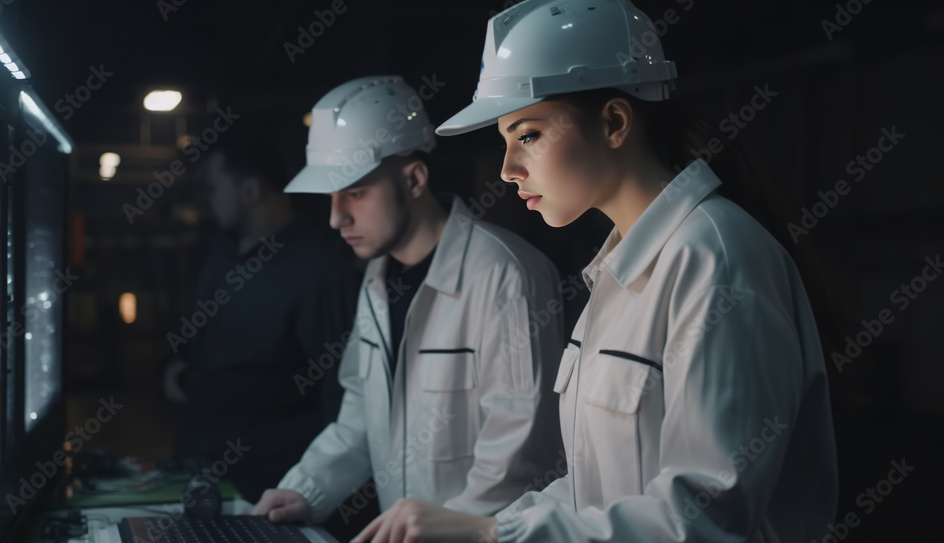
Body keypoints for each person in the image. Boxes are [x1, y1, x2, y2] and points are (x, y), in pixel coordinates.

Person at [353, 1, 838, 542]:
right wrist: (490, 526)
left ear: (613, 123)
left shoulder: (714, 260)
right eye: (506, 142)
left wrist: (494, 537)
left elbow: (704, 518)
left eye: (528, 134)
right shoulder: (615, 276)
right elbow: (595, 488)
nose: (509, 169)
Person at [251, 76, 565, 527]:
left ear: (414, 179)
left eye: (355, 191)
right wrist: (304, 490)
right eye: (331, 196)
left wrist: (447, 529)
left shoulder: (503, 275)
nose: (337, 217)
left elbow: (519, 460)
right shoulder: (378, 281)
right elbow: (359, 419)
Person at [161, 126, 361, 503]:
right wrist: (174, 364)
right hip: (199, 472)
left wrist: (315, 492)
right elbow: (191, 331)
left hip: (266, 487)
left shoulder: (315, 268)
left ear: (250, 191)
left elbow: (339, 394)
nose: (207, 202)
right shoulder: (221, 251)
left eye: (213, 189)